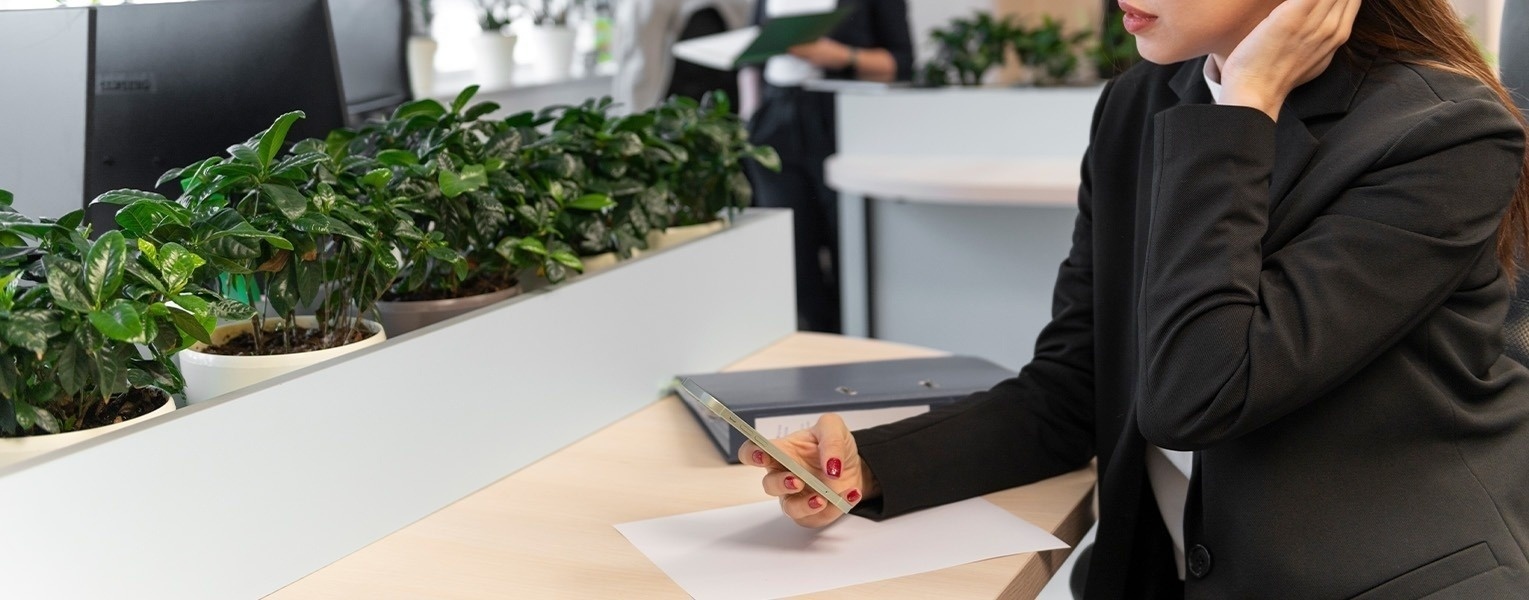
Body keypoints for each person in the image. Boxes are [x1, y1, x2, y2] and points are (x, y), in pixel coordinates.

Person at [739, 0, 1529, 597]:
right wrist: (864, 467)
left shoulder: (1442, 131)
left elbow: (1199, 392)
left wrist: (1245, 107)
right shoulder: (1139, 105)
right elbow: (1076, 386)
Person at [741, 0, 914, 333]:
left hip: (844, 121)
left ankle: (857, 344)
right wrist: (750, 117)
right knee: (790, 257)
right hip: (774, 123)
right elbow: (751, 55)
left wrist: (842, 57)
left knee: (851, 253)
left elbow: (903, 63)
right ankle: (815, 344)